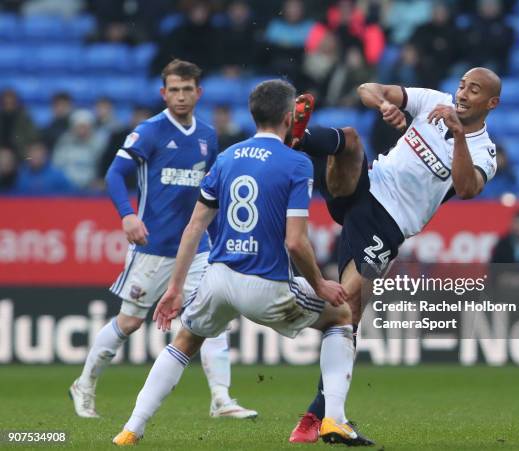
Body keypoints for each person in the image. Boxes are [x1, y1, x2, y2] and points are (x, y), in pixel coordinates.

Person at [112, 79, 373, 447]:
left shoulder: (226, 157)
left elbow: (194, 228)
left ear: (253, 115)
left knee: (186, 341)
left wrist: (174, 289)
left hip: (218, 279)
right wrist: (320, 284)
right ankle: (334, 419)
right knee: (342, 316)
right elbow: (295, 242)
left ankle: (131, 429)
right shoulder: (297, 163)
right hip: (264, 285)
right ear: (289, 117)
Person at [289, 67, 501, 442]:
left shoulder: (485, 151)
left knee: (348, 306)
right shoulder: (434, 100)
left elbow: (467, 188)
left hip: (389, 225)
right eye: (463, 85)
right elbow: (366, 86)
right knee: (350, 140)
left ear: (491, 103)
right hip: (367, 185)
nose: (463, 94)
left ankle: (317, 416)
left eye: (475, 90)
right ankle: (297, 138)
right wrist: (387, 104)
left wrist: (456, 135)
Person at [69, 59, 256, 421]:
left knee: (211, 314)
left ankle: (221, 398)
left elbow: (211, 196)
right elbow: (113, 175)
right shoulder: (150, 131)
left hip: (197, 249)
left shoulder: (207, 136)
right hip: (154, 248)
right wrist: (127, 215)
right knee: (129, 322)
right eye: (174, 90)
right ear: (163, 93)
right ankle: (84, 384)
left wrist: (218, 241)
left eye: (187, 89)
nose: (181, 96)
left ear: (198, 93)